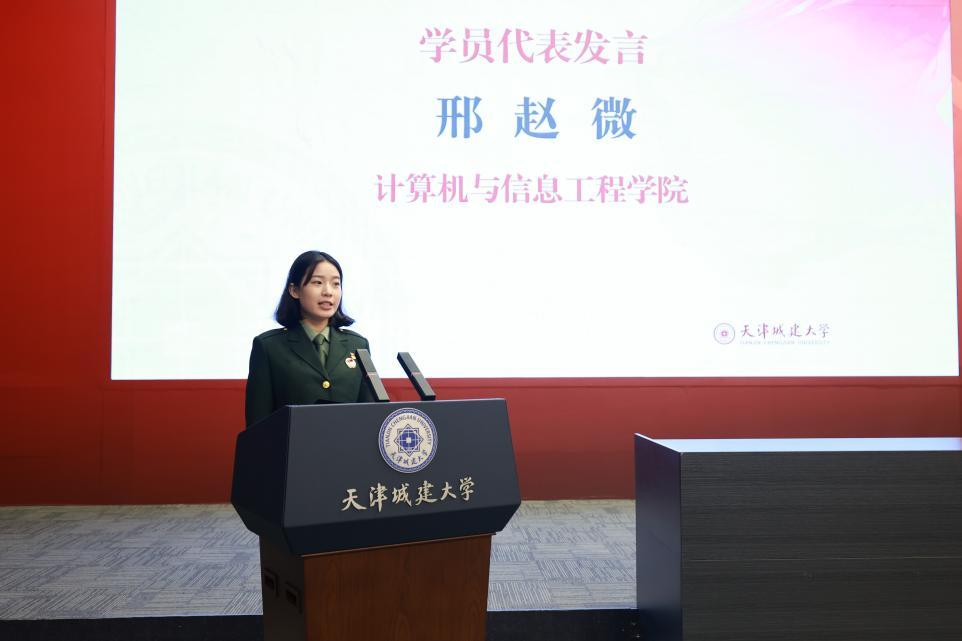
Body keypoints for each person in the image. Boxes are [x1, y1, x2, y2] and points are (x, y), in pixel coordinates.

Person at [245, 251, 375, 427]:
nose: (328, 292)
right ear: (295, 290)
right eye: (317, 282)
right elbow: (258, 423)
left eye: (336, 284)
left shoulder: (358, 344)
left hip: (348, 442)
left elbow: (370, 413)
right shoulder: (269, 346)